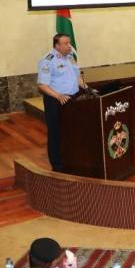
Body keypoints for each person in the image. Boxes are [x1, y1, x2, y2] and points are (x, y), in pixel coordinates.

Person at [38, 33, 88, 172]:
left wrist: (87, 88)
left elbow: (77, 78)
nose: (69, 46)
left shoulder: (70, 56)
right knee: (56, 133)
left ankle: (72, 159)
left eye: (69, 43)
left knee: (72, 131)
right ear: (57, 45)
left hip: (72, 99)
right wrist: (58, 96)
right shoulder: (48, 60)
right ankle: (58, 165)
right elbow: (42, 85)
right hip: (56, 101)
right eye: (65, 43)